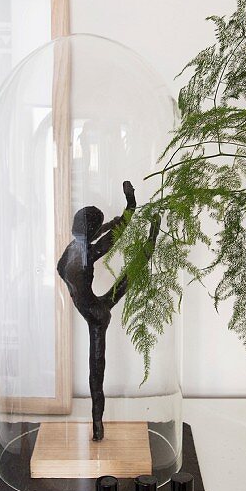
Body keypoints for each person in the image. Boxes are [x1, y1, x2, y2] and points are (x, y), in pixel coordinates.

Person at [57, 181, 159, 442]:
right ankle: (97, 426)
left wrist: (124, 213)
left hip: (94, 310)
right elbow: (114, 236)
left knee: (96, 375)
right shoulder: (88, 253)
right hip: (95, 311)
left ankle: (98, 426)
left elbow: (110, 233)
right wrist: (130, 207)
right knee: (96, 375)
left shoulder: (71, 250)